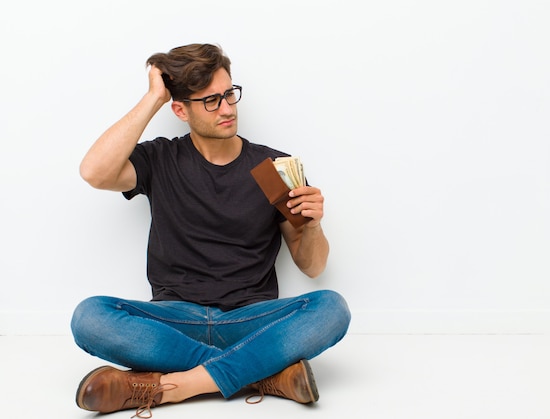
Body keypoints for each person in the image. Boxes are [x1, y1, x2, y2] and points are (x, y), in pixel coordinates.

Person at [71, 43, 351, 418]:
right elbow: (94, 172)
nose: (227, 109)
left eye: (229, 94)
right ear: (180, 109)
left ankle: (171, 387)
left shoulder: (271, 167)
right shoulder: (161, 158)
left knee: (332, 308)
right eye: (211, 101)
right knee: (88, 317)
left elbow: (313, 266)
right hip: (175, 322)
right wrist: (154, 96)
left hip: (249, 320)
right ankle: (261, 376)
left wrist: (313, 226)